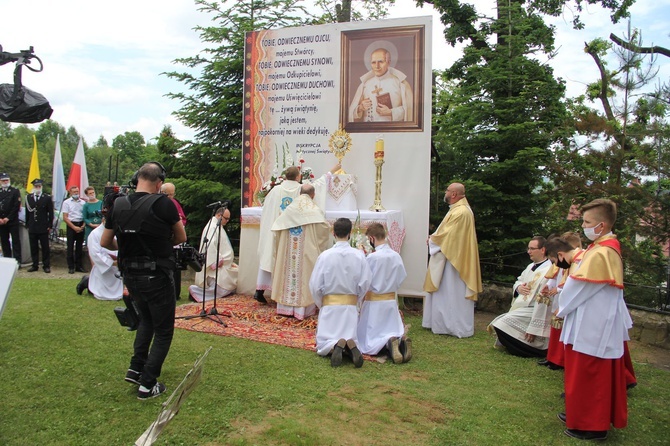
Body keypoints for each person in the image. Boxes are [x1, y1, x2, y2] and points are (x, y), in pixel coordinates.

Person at [101, 162, 186, 400]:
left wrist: (128, 246)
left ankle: (135, 367)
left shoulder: (118, 203)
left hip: (130, 275)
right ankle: (147, 384)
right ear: (159, 183)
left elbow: (105, 242)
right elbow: (181, 236)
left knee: (145, 321)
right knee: (163, 331)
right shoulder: (164, 204)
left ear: (137, 178)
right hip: (156, 274)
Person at [556, 198, 631, 441]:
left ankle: (592, 425)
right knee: (582, 372)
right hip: (590, 320)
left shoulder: (602, 252)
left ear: (601, 225)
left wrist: (561, 302)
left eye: (588, 222)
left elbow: (578, 288)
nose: (585, 226)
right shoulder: (600, 248)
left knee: (591, 373)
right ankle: (579, 414)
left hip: (594, 324)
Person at [254, 164, 338, 303]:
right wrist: (330, 172)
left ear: (284, 176)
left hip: (277, 230)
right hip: (295, 234)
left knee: (271, 256)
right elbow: (318, 185)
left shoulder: (275, 191)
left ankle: (260, 291)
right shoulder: (302, 189)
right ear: (299, 177)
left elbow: (267, 210)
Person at [423, 183, 482, 338]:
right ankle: (442, 323)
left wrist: (432, 240)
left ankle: (452, 325)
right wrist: (434, 239)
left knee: (451, 292)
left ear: (454, 194)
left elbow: (450, 236)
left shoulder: (461, 212)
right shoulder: (458, 209)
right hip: (452, 256)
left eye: (447, 190)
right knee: (446, 292)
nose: (445, 192)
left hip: (454, 261)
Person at [310, 218, 371, 367]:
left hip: (330, 307)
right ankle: (350, 345)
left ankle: (334, 346)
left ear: (333, 233)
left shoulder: (325, 256)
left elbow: (315, 284)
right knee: (350, 334)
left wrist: (322, 303)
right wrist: (355, 300)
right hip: (349, 307)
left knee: (323, 341)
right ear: (349, 233)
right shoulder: (359, 255)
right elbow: (365, 282)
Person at [270, 184, 330, 319]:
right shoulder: (314, 210)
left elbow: (277, 230)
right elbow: (323, 231)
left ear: (299, 193)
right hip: (305, 252)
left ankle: (285, 308)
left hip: (288, 251)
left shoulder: (288, 210)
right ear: (313, 195)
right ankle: (301, 311)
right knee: (305, 273)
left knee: (287, 270)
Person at [488, 236, 553, 357]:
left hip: (535, 309)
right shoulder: (530, 266)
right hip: (523, 307)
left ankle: (533, 351)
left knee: (501, 323)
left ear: (543, 250)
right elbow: (519, 280)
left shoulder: (549, 270)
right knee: (499, 324)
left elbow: (544, 300)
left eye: (532, 248)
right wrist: (518, 288)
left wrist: (535, 327)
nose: (528, 251)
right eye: (528, 248)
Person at [357, 222, 411, 363]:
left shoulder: (372, 258)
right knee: (391, 328)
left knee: (367, 342)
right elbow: (401, 277)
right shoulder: (395, 256)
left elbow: (365, 281)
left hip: (374, 302)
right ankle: (398, 341)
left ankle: (386, 343)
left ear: (372, 238)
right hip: (390, 301)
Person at [538, 232, 584, 370]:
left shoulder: (577, 260)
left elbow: (574, 284)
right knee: (556, 328)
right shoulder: (565, 259)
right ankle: (552, 357)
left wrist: (558, 290)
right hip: (561, 296)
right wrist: (550, 286)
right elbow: (555, 275)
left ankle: (560, 360)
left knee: (564, 329)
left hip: (567, 298)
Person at [348, 47, 414, 123]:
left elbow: (410, 111)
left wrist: (391, 112)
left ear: (388, 62)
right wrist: (360, 108)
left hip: (392, 131)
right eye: (373, 62)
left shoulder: (401, 84)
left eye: (381, 62)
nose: (377, 66)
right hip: (369, 131)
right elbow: (350, 113)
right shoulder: (365, 85)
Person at [78, 192, 123, 300]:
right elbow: (96, 255)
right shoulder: (95, 234)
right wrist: (115, 262)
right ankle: (87, 281)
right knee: (103, 294)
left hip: (119, 271)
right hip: (107, 269)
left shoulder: (121, 231)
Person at [189, 206, 238, 302]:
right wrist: (217, 260)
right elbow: (210, 245)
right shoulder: (212, 227)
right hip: (217, 266)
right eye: (226, 218)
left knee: (237, 274)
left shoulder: (218, 226)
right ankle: (195, 292)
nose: (227, 221)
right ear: (219, 215)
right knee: (223, 288)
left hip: (225, 264)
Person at [161, 182, 187, 300]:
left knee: (176, 269)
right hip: (163, 239)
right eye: (168, 194)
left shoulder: (174, 203)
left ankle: (176, 293)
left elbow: (182, 219)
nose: (170, 197)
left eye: (172, 194)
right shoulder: (159, 202)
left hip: (174, 240)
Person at [25, 179, 53, 273]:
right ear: (33, 187)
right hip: (33, 226)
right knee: (33, 247)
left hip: (43, 226)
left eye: (39, 186)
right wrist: (27, 224)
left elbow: (51, 213)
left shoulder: (47, 198)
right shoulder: (28, 197)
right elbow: (27, 213)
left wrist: (50, 225)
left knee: (45, 247)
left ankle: (46, 265)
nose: (38, 188)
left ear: (41, 187)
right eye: (36, 186)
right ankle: (35, 265)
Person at [62, 186, 87, 274]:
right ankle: (71, 266)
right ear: (70, 193)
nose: (76, 193)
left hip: (81, 224)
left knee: (79, 247)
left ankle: (79, 266)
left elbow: (85, 216)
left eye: (77, 191)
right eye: (74, 192)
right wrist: (74, 227)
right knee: (70, 247)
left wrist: (83, 226)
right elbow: (65, 217)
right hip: (71, 225)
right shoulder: (66, 202)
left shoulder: (83, 202)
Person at [0, 172, 22, 266]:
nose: (5, 182)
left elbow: (16, 206)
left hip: (12, 220)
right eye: (3, 180)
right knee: (4, 241)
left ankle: (18, 261)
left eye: (7, 180)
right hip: (1, 221)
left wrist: (8, 218)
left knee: (15, 240)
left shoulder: (15, 191)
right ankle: (7, 260)